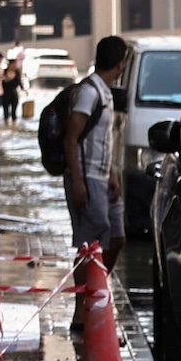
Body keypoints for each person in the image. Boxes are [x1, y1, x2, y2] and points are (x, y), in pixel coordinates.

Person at [62, 35, 129, 267]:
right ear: (121, 64)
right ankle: (84, 300)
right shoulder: (88, 93)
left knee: (117, 238)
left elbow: (102, 140)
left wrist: (111, 174)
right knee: (89, 245)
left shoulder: (106, 92)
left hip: (102, 177)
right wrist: (78, 181)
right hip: (87, 177)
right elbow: (71, 139)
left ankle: (97, 289)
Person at [0, 54, 23, 125]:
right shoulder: (4, 71)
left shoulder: (17, 72)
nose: (15, 66)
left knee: (14, 111)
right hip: (5, 94)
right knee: (6, 111)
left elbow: (19, 82)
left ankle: (14, 125)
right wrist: (5, 79)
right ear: (10, 64)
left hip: (14, 94)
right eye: (13, 64)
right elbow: (0, 81)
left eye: (15, 64)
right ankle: (6, 124)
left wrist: (23, 89)